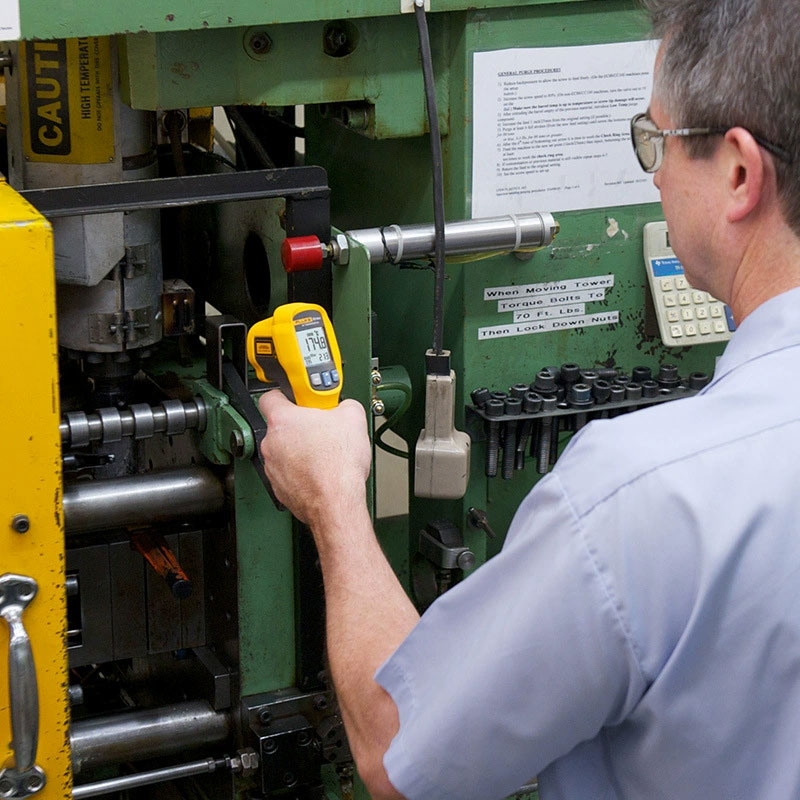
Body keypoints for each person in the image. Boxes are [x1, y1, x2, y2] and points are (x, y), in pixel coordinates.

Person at [259, 0, 800, 797]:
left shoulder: (638, 496)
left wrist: (332, 497)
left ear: (740, 174)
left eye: (656, 141)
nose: (653, 174)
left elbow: (401, 755)